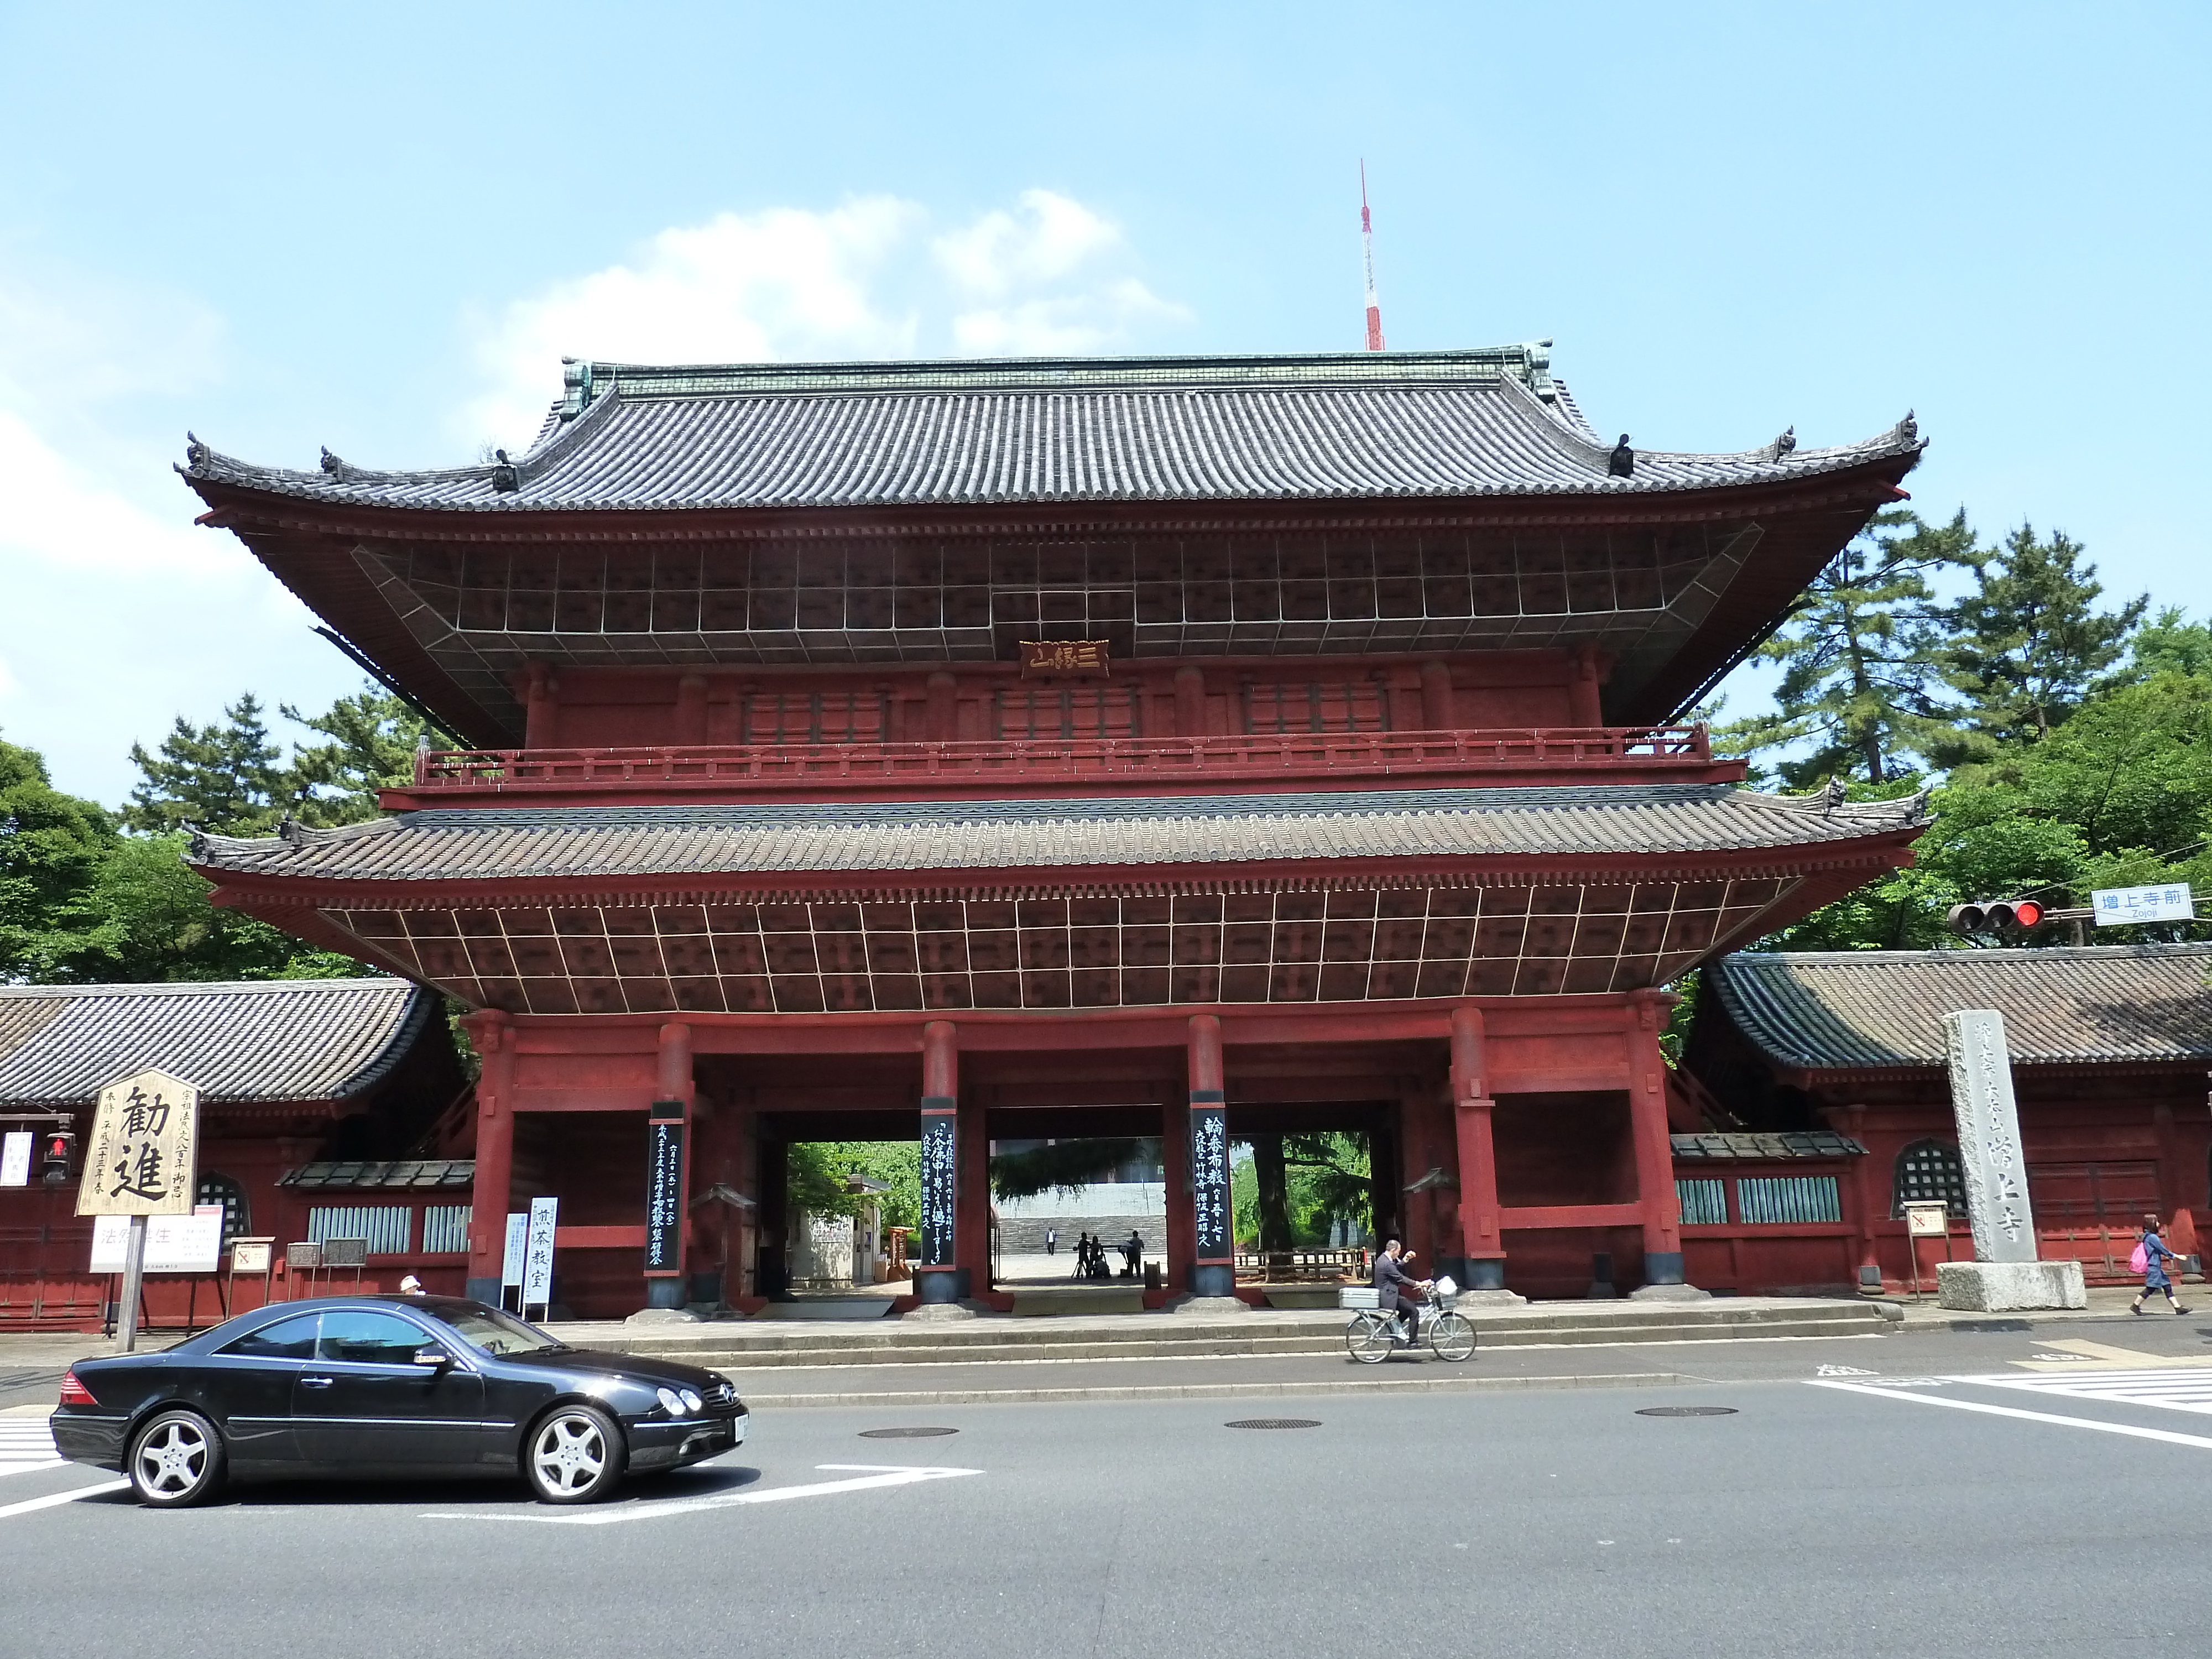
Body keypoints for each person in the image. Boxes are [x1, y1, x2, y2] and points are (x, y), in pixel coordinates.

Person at [1371, 1238, 1431, 1345]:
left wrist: (1406, 1259)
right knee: (1414, 1312)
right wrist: (1419, 1284)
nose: (1398, 1254)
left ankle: (1394, 1329)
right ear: (1393, 1250)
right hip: (1390, 1296)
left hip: (1389, 1293)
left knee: (1406, 1311)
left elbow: (1395, 1269)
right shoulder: (1387, 1264)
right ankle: (1413, 1341)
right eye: (1398, 1252)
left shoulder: (1384, 1259)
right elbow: (1400, 1278)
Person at [2131, 1215, 2191, 1315]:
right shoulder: (2152, 1237)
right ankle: (2135, 1305)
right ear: (2152, 1224)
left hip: (2156, 1267)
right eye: (2157, 1221)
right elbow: (2163, 1250)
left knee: (2167, 1286)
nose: (2159, 1223)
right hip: (2153, 1266)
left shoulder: (2147, 1236)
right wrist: (2177, 1256)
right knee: (2151, 1288)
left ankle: (2177, 1308)